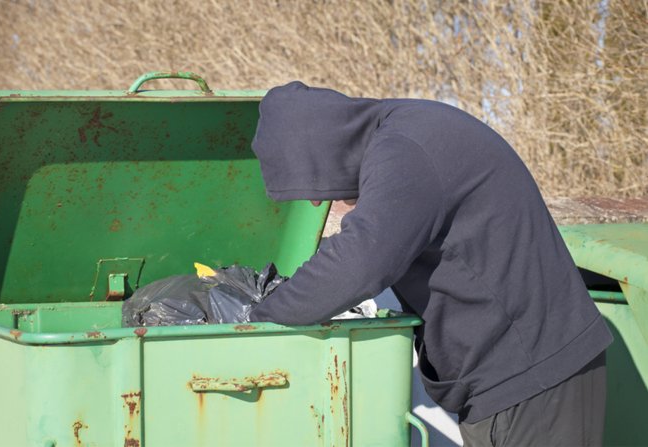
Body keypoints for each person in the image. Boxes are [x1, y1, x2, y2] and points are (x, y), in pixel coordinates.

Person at [248, 81, 612, 446]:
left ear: (323, 150)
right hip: (520, 373)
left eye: (312, 185)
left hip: (530, 377)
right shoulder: (410, 128)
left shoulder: (405, 151)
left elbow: (360, 260)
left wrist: (258, 318)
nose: (315, 204)